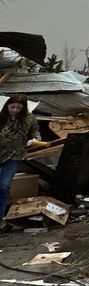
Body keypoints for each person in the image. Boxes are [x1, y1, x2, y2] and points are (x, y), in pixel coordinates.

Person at [0, 95, 40, 232]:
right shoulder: (1, 116)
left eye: (18, 108)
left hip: (15, 155)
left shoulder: (29, 119)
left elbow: (35, 132)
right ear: (7, 105)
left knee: (4, 185)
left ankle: (2, 218)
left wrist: (34, 140)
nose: (15, 110)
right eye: (12, 107)